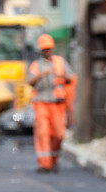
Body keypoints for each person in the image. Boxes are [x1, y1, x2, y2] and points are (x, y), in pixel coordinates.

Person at [28, 34, 74, 173]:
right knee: (43, 133)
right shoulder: (36, 65)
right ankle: (44, 163)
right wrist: (42, 75)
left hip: (57, 103)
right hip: (41, 102)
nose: (47, 51)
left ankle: (54, 160)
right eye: (44, 49)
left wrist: (61, 75)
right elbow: (29, 81)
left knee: (58, 134)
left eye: (48, 48)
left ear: (52, 48)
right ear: (41, 50)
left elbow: (71, 78)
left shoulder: (60, 62)